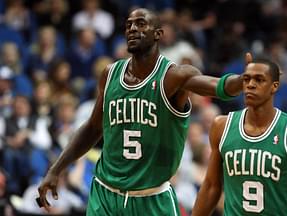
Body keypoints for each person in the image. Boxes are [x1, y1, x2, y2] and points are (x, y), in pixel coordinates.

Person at [37, 8, 245, 215]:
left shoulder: (174, 76)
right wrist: (56, 169)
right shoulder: (110, 74)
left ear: (158, 34)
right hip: (105, 194)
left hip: (151, 198)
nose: (133, 29)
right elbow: (92, 128)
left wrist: (242, 80)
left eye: (141, 24)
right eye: (128, 25)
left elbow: (220, 88)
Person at [192, 58, 287, 216]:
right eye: (246, 79)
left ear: (274, 86)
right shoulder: (222, 126)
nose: (250, 85)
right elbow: (211, 186)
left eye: (259, 80)